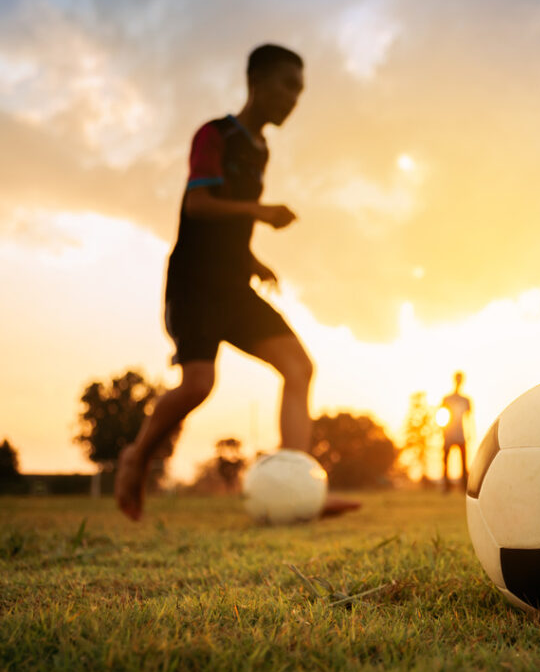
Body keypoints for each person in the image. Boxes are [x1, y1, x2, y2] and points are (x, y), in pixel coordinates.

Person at [116, 44, 358, 520]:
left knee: (298, 368)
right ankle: (136, 456)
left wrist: (253, 260)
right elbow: (197, 207)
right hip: (195, 282)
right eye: (288, 86)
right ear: (257, 82)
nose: (294, 99)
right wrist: (260, 212)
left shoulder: (261, 149)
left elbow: (227, 227)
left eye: (300, 90)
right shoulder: (216, 134)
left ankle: (298, 488)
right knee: (199, 383)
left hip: (233, 283)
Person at [439, 372, 472, 493]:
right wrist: (442, 431)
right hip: (448, 434)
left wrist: (470, 434)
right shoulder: (447, 399)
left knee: (463, 463)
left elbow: (469, 418)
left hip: (461, 435)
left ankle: (464, 487)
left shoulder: (466, 400)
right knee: (445, 462)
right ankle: (446, 487)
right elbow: (441, 414)